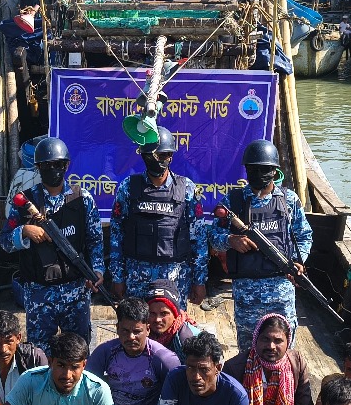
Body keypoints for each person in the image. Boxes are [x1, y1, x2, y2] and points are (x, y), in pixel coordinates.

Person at [0, 136, 104, 353]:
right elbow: (4, 241)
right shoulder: (25, 202)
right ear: (38, 167)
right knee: (40, 354)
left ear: (66, 165)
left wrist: (97, 270)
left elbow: (95, 240)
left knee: (77, 350)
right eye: (47, 166)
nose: (53, 170)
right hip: (39, 292)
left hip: (75, 291)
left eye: (58, 164)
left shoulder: (82, 199)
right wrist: (25, 231)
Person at [211, 140, 313, 350]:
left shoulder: (289, 201)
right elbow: (213, 236)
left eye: (265, 169)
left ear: (275, 171)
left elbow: (304, 235)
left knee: (283, 351)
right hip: (246, 292)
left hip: (281, 290)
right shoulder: (233, 201)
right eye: (253, 169)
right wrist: (231, 240)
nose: (259, 174)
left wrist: (297, 260)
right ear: (246, 170)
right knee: (249, 352)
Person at [108, 127, 208, 304]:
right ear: (143, 156)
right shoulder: (128, 188)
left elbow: (198, 239)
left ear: (171, 156)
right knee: (138, 328)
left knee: (173, 328)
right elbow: (117, 235)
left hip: (175, 278)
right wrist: (117, 277)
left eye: (163, 155)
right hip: (137, 278)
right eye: (151, 156)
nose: (158, 161)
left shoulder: (187, 189)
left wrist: (199, 281)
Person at [88, 297, 181, 405]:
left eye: (137, 331)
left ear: (147, 328)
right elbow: (87, 391)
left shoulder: (163, 359)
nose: (131, 337)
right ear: (116, 329)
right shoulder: (105, 352)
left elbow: (180, 397)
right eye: (125, 331)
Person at [0, 309, 48, 405]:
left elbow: (50, 395)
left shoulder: (35, 360)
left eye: (8, 341)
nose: (3, 349)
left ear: (18, 338)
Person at [144, 277, 197, 351]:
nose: (157, 319)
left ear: (175, 315)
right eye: (152, 313)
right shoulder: (141, 332)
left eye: (164, 313)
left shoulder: (187, 340)